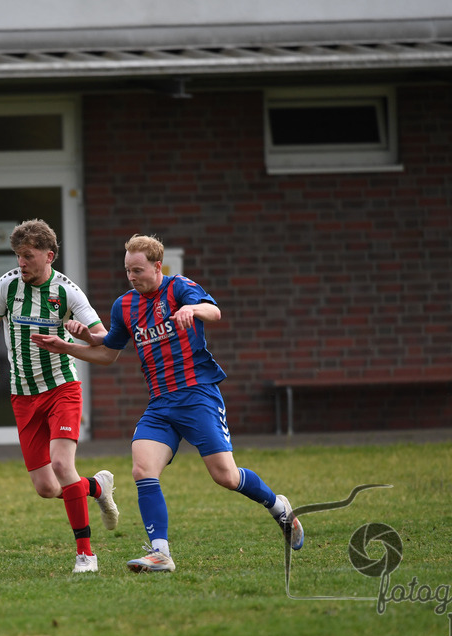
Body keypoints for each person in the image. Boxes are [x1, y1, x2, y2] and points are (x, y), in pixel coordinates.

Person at [32, 234, 304, 573]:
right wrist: (72, 343)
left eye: (138, 270)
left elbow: (214, 311)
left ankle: (279, 507)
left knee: (226, 476)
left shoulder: (179, 288)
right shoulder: (125, 305)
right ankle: (159, 552)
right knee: (142, 469)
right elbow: (108, 351)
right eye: (128, 271)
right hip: (160, 404)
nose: (132, 277)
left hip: (197, 396)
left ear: (158, 266)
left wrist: (192, 308)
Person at [0, 219, 119, 574]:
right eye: (17, 256)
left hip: (61, 389)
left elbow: (104, 337)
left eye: (27, 256)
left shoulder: (68, 292)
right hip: (23, 395)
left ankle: (85, 555)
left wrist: (80, 333)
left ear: (49, 256)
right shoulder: (7, 286)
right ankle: (96, 487)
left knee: (61, 465)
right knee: (46, 488)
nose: (21, 263)